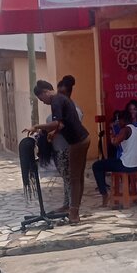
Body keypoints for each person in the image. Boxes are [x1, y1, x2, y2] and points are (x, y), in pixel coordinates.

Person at [29, 80, 90, 224]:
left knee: (74, 179)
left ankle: (74, 214)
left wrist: (37, 126)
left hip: (78, 142)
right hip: (84, 138)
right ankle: (74, 210)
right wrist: (53, 132)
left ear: (45, 92)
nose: (42, 102)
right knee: (78, 178)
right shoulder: (62, 99)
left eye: (41, 98)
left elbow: (56, 123)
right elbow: (62, 124)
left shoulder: (56, 100)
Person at [92, 110, 137, 206]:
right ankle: (131, 193)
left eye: (119, 121)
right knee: (113, 161)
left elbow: (114, 142)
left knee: (97, 166)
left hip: (128, 164)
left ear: (123, 120)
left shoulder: (125, 129)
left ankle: (104, 194)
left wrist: (112, 130)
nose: (118, 123)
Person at [51, 75, 83, 210]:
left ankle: (72, 206)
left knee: (71, 178)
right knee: (66, 178)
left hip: (68, 147)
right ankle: (66, 203)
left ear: (69, 93)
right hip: (59, 147)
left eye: (62, 93)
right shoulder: (62, 107)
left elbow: (66, 127)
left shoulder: (74, 110)